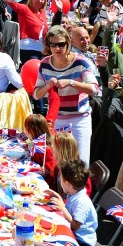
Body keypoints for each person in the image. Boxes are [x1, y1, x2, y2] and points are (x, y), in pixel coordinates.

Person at [34, 26, 100, 165]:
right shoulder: (45, 64)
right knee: (59, 163)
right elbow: (36, 95)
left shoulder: (80, 61)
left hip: (79, 119)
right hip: (57, 120)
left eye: (61, 44)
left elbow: (94, 89)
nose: (57, 48)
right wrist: (48, 86)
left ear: (68, 43)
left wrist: (71, 83)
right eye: (53, 45)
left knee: (81, 163)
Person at [45, 158, 97, 246]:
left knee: (50, 244)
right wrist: (58, 197)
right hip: (74, 235)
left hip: (82, 242)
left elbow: (75, 226)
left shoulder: (82, 202)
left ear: (67, 184)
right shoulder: (74, 193)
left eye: (61, 179)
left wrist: (63, 208)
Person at [5, 0, 48, 64]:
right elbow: (11, 3)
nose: (40, 1)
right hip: (28, 48)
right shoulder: (25, 9)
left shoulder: (42, 12)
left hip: (41, 48)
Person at [24, 114, 57, 182]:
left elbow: (54, 173)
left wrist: (47, 173)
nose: (25, 131)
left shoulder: (46, 149)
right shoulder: (37, 143)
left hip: (46, 184)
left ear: (32, 131)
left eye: (26, 129)